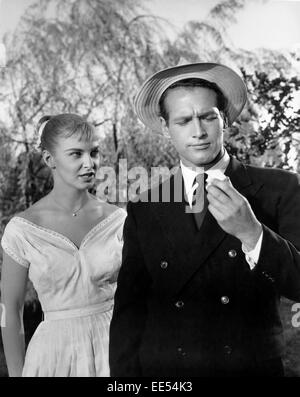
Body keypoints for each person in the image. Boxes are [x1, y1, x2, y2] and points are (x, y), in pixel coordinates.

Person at [109, 63, 300, 377]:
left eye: (208, 117)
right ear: (165, 126)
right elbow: (130, 311)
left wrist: (253, 234)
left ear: (223, 118)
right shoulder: (144, 206)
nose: (198, 132)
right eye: (183, 120)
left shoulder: (280, 188)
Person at [1, 113, 127, 377]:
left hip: (114, 348)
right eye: (75, 154)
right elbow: (9, 309)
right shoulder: (22, 229)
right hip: (53, 356)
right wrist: (15, 372)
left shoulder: (118, 220)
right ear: (50, 160)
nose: (89, 163)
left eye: (94, 152)